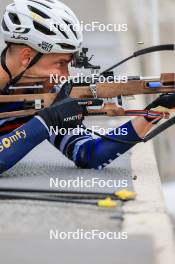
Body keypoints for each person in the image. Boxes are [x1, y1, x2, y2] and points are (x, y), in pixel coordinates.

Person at [0, 0, 174, 173]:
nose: (65, 76)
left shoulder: (45, 94)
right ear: (26, 57)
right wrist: (46, 122)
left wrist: (152, 113)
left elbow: (88, 154)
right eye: (60, 63)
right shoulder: (46, 107)